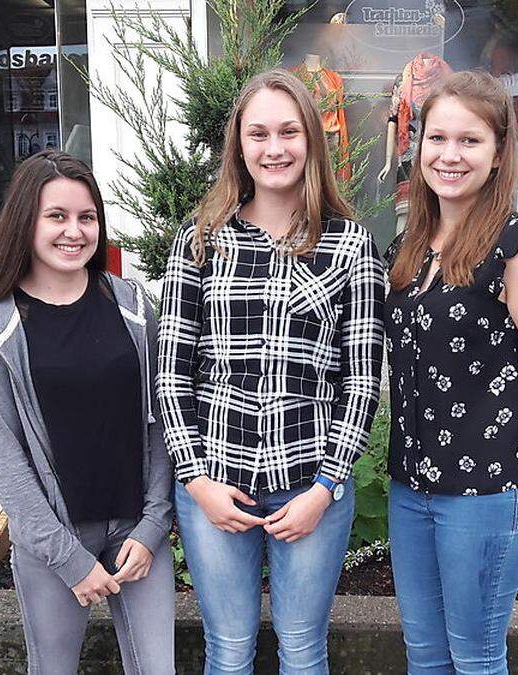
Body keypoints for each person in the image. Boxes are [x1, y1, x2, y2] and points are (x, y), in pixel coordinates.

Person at [157, 69, 385, 674]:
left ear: (311, 139)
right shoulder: (201, 241)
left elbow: (361, 379)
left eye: (288, 131)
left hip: (310, 487)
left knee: (302, 648)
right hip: (215, 485)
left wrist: (325, 489)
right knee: (228, 651)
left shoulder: (350, 245)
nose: (274, 147)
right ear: (239, 145)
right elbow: (173, 371)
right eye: (258, 133)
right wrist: (197, 481)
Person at [384, 70, 518, 674]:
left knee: (473, 658)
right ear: (417, 147)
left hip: (488, 493)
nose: (449, 155)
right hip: (411, 486)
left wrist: (516, 453)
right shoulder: (411, 244)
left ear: (498, 154)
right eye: (437, 139)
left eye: (469, 141)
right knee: (425, 655)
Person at [0, 150, 174, 674]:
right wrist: (71, 560)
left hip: (135, 534)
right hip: (55, 543)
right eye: (56, 216)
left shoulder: (132, 305)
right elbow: (6, 461)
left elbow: (161, 421)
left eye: (87, 217)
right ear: (25, 223)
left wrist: (152, 527)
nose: (74, 231)